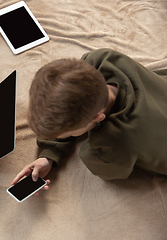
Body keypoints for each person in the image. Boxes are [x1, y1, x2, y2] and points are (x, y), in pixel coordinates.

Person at [12, 48, 167, 191]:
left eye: (64, 134)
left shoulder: (112, 144)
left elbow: (114, 173)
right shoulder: (102, 58)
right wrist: (48, 154)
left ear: (98, 118)